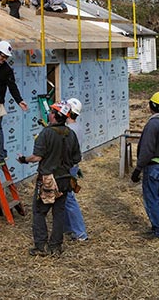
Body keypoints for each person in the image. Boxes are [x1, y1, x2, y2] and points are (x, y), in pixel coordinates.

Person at [17, 101, 81, 256]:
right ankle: (55, 247)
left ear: (55, 115)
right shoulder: (70, 133)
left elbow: (37, 157)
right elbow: (76, 158)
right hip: (65, 179)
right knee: (59, 213)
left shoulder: (46, 133)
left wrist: (24, 159)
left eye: (51, 111)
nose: (49, 114)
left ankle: (41, 247)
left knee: (39, 212)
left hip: (48, 180)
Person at [130, 92, 159, 240]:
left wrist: (138, 169)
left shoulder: (153, 124)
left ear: (152, 106)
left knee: (152, 199)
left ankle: (158, 230)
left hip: (153, 167)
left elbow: (147, 149)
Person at [63, 98, 88, 242]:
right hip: (72, 166)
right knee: (65, 198)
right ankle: (68, 228)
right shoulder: (75, 127)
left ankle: (80, 233)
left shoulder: (70, 130)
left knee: (69, 199)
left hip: (68, 167)